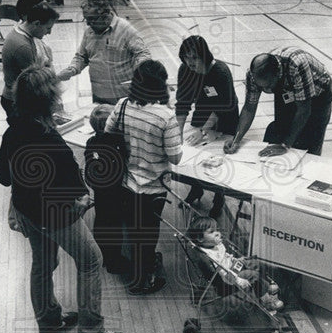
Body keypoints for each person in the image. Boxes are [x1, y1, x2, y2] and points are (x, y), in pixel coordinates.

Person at [0, 67, 129, 333]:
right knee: (91, 260)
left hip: (27, 211)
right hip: (55, 216)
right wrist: (82, 200)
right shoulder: (53, 142)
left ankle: (48, 320)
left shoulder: (13, 131)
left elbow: (3, 177)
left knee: (42, 264)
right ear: (48, 100)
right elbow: (77, 193)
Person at [105, 60, 182, 295]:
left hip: (126, 183)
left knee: (134, 230)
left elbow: (108, 132)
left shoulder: (123, 105)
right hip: (153, 187)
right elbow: (176, 157)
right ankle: (142, 281)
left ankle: (140, 266)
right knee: (148, 234)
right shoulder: (166, 116)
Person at [226, 48, 332, 157]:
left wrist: (285, 145)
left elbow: (304, 111)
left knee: (311, 138)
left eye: (268, 86)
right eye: (261, 87)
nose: (266, 90)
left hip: (319, 92)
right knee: (280, 129)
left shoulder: (296, 66)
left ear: (278, 73)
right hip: (288, 88)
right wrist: (236, 139)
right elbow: (249, 108)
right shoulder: (253, 75)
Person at [175, 35, 239, 217]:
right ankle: (196, 189)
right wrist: (178, 134)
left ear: (204, 55)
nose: (190, 63)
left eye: (194, 57)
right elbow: (182, 102)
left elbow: (225, 104)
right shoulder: (185, 70)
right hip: (203, 110)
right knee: (194, 153)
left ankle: (219, 199)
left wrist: (204, 131)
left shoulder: (220, 71)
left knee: (217, 159)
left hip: (226, 114)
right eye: (186, 58)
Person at [57, 0, 150, 103]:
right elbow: (82, 56)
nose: (88, 24)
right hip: (99, 94)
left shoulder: (125, 29)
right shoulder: (89, 32)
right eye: (86, 19)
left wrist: (141, 69)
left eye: (92, 19)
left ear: (106, 16)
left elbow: (142, 53)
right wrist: (72, 69)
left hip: (123, 95)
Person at [187, 216, 283, 311]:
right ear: (200, 239)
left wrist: (235, 259)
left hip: (233, 266)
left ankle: (266, 285)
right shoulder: (209, 255)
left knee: (255, 263)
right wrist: (238, 280)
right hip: (228, 280)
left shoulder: (216, 245)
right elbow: (223, 273)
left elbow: (225, 255)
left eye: (217, 230)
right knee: (253, 275)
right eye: (212, 232)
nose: (217, 233)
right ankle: (267, 301)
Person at [83, 103, 130, 274]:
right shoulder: (117, 141)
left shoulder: (91, 141)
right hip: (115, 190)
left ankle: (101, 254)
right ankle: (114, 262)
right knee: (114, 225)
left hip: (99, 188)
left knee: (102, 219)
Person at [0, 2, 59, 118]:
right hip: (18, 102)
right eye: (48, 28)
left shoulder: (20, 32)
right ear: (36, 23)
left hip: (15, 97)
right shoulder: (23, 46)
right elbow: (37, 82)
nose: (49, 32)